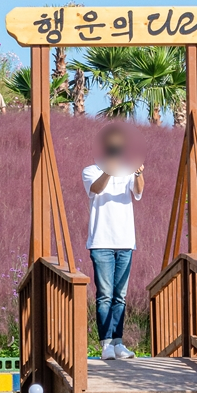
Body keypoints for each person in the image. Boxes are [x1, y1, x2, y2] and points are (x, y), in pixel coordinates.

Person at [81, 127, 144, 361]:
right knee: (105, 294)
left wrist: (137, 174)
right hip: (101, 242)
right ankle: (105, 343)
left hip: (126, 241)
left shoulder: (128, 171)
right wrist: (109, 170)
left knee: (120, 296)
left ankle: (118, 343)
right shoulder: (91, 171)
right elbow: (96, 189)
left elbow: (138, 191)